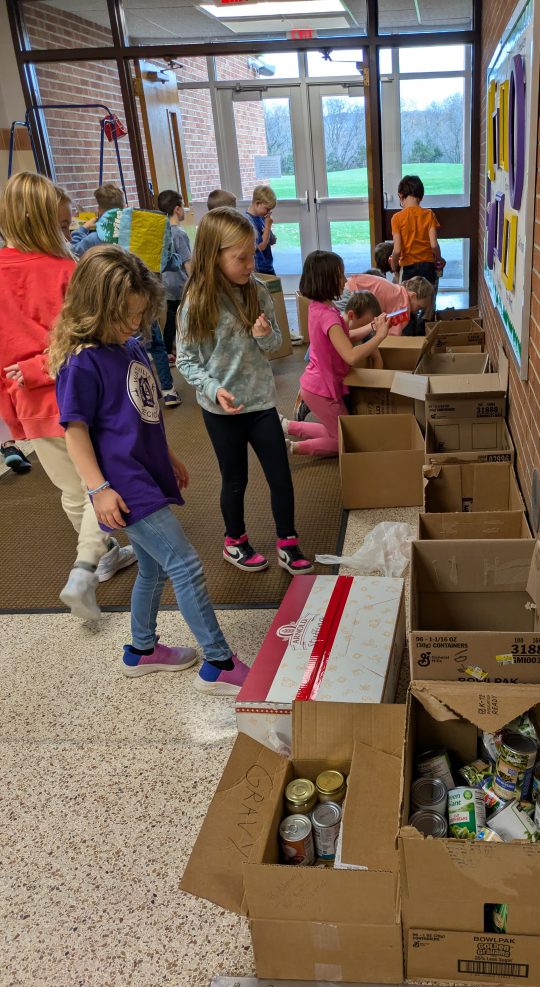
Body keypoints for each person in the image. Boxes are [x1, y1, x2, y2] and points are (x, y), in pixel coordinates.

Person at [49, 247, 250, 694]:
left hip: (144, 470)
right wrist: (99, 489)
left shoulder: (131, 346)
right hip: (121, 483)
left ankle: (141, 650)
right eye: (124, 316)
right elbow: (75, 432)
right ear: (94, 308)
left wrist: (169, 455)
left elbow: (141, 413)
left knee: (156, 569)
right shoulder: (82, 361)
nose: (134, 325)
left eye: (139, 315)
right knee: (186, 563)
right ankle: (217, 662)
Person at [0, 171, 135, 617]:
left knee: (72, 491)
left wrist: (14, 408)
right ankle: (86, 566)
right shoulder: (66, 271)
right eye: (61, 227)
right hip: (75, 394)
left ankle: (101, 557)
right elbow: (86, 338)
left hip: (29, 404)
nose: (68, 232)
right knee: (99, 483)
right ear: (38, 223)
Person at [176, 208, 312, 576]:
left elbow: (278, 345)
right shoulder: (196, 303)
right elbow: (186, 361)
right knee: (235, 479)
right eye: (241, 258)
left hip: (261, 402)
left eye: (252, 254)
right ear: (213, 256)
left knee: (280, 475)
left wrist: (264, 335)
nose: (251, 263)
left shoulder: (257, 291)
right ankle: (234, 541)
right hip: (222, 410)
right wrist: (212, 388)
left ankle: (288, 540)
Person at [282, 251, 388, 459]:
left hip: (317, 384)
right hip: (322, 390)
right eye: (340, 276)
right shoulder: (328, 316)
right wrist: (380, 336)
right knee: (346, 440)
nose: (346, 280)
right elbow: (350, 355)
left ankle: (290, 426)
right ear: (326, 280)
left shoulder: (320, 307)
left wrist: (371, 328)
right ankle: (294, 448)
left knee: (339, 431)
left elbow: (343, 336)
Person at [155, 189, 193, 360]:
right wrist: (194, 281)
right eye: (183, 206)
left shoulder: (160, 232)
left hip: (165, 283)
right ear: (177, 209)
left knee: (170, 318)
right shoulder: (179, 233)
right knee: (182, 318)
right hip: (180, 284)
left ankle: (168, 349)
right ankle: (180, 349)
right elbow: (187, 262)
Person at [390, 175, 443, 287]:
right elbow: (434, 245)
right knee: (428, 301)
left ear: (400, 195)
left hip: (408, 267)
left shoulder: (397, 218)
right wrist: (439, 259)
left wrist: (394, 266)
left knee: (408, 301)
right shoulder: (429, 214)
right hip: (427, 266)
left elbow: (397, 249)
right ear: (421, 197)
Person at [344, 272, 434, 335]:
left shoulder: (398, 291)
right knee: (343, 333)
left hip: (349, 285)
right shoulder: (403, 306)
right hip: (350, 294)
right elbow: (393, 335)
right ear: (413, 296)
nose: (417, 311)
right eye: (419, 307)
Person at [70, 182, 125, 258]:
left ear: (99, 210)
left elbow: (73, 252)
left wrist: (83, 228)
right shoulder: (132, 231)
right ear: (124, 207)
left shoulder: (95, 238)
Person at [245, 185, 277, 276]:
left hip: (268, 264)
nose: (269, 212)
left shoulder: (261, 217)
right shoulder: (248, 220)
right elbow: (260, 246)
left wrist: (270, 234)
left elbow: (270, 241)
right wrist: (268, 226)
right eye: (267, 209)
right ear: (257, 203)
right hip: (259, 267)